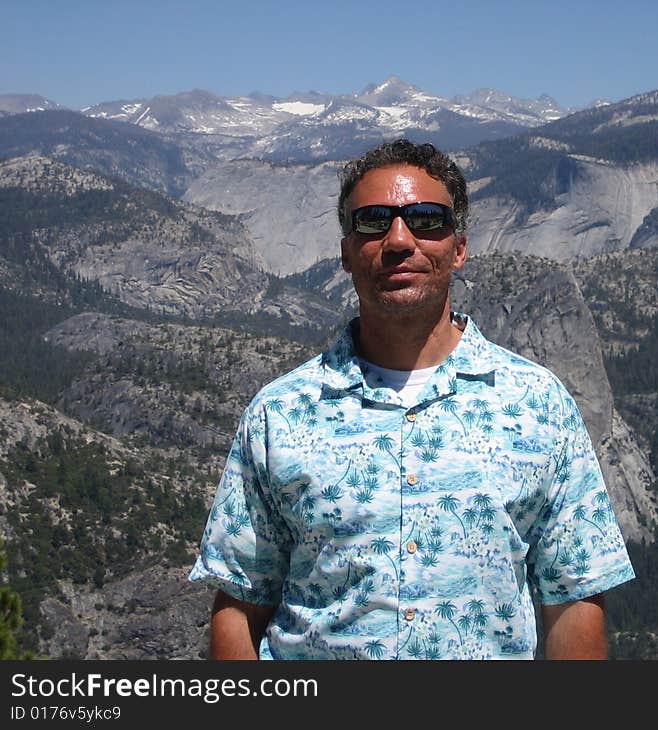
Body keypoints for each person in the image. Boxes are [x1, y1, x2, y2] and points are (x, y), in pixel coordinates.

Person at [189, 139, 635, 660]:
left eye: (426, 219)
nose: (400, 239)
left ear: (459, 246)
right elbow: (241, 602)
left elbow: (575, 599)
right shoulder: (279, 414)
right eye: (374, 221)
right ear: (346, 251)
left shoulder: (539, 405)